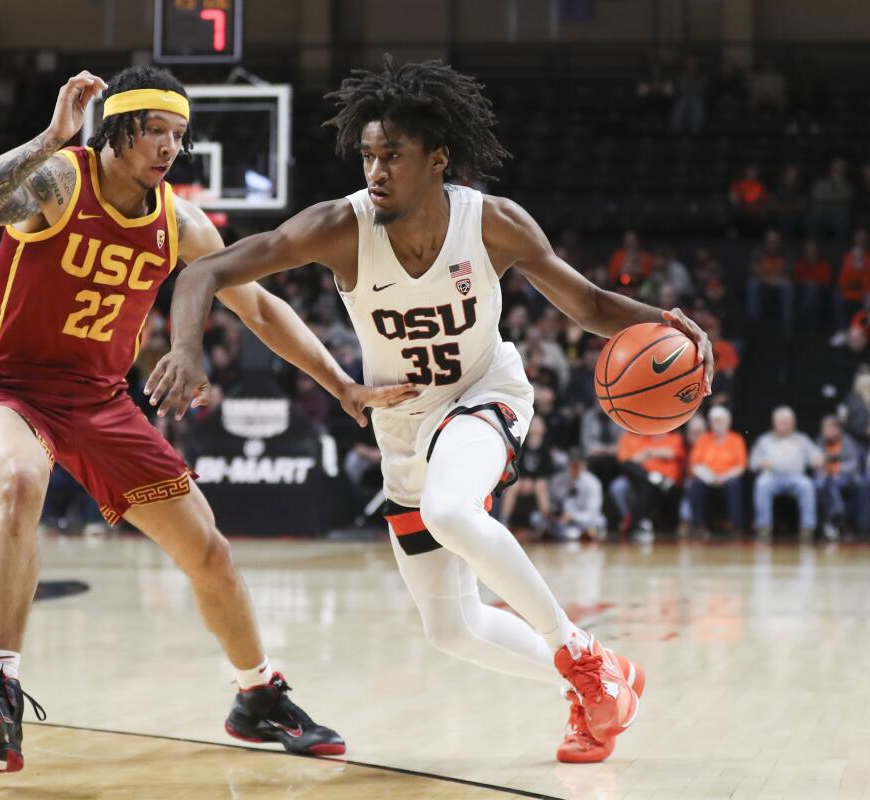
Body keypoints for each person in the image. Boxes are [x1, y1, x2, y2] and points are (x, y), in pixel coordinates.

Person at [149, 59, 713, 764]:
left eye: (394, 156)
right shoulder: (340, 227)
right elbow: (205, 270)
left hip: (483, 398)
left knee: (451, 511)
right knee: (452, 628)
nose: (376, 170)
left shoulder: (493, 223)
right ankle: (608, 678)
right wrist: (187, 346)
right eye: (368, 156)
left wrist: (669, 322)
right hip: (404, 428)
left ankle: (579, 659)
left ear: (438, 160)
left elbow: (591, 305)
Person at [0, 67, 408, 771]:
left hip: (101, 402)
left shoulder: (179, 222)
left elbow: (260, 308)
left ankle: (257, 696)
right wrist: (49, 137)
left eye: (179, 135)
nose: (168, 147)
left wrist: (341, 383)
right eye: (156, 130)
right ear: (119, 130)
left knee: (210, 552)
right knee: (21, 482)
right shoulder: (60, 182)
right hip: (13, 390)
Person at [750, 406, 823, 539]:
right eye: (780, 422)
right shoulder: (764, 440)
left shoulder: (802, 439)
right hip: (772, 477)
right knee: (762, 484)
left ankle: (808, 528)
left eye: (786, 422)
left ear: (793, 423)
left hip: (796, 478)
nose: (783, 425)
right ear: (774, 423)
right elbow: (752, 463)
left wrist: (818, 459)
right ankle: (763, 527)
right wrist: (761, 463)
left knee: (807, 485)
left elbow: (816, 457)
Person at [610, 428, 686, 542]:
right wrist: (652, 457)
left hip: (669, 484)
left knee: (643, 483)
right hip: (650, 481)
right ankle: (642, 523)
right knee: (640, 478)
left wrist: (650, 452)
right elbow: (634, 459)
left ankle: (640, 523)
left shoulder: (674, 438)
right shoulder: (645, 439)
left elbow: (671, 453)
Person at [685, 405, 747, 535]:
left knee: (734, 484)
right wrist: (710, 477)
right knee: (695, 484)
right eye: (715, 421)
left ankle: (734, 526)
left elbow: (741, 466)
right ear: (711, 423)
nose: (718, 424)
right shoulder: (704, 439)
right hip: (707, 478)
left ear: (728, 422)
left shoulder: (736, 439)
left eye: (721, 421)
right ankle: (698, 525)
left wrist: (723, 477)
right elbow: (695, 465)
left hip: (728, 478)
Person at [814, 414, 865, 540]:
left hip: (846, 478)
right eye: (826, 428)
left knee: (834, 484)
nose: (829, 431)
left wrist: (836, 469)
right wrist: (823, 468)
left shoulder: (847, 441)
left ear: (839, 429)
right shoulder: (819, 442)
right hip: (825, 478)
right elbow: (817, 463)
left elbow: (854, 464)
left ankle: (835, 518)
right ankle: (836, 519)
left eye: (833, 428)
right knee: (821, 484)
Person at [549, 447, 605, 540]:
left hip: (584, 520)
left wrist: (573, 517)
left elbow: (592, 512)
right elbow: (553, 505)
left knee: (600, 521)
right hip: (563, 522)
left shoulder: (593, 483)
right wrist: (554, 514)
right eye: (572, 464)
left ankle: (584, 533)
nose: (575, 468)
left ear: (584, 465)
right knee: (536, 518)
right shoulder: (558, 481)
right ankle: (580, 534)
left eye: (578, 465)